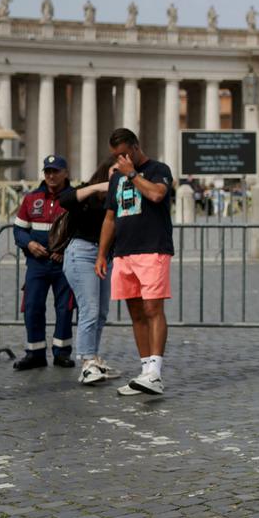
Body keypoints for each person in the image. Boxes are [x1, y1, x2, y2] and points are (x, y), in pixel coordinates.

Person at [95, 129, 175, 396]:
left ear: (136, 147)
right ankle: (145, 371)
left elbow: (157, 195)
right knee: (136, 314)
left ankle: (156, 372)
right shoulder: (116, 177)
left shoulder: (158, 169)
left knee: (153, 309)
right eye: (115, 156)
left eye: (123, 154)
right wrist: (102, 254)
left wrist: (132, 174)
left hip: (152, 249)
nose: (119, 160)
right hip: (124, 252)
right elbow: (110, 217)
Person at [59, 153, 118, 384]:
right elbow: (65, 200)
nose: (119, 176)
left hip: (105, 256)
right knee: (89, 309)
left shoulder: (121, 194)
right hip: (82, 253)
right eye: (115, 171)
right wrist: (98, 187)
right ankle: (86, 362)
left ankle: (93, 357)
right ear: (105, 171)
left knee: (101, 312)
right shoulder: (89, 191)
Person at [12, 155, 75, 370]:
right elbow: (19, 229)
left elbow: (82, 231)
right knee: (32, 307)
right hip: (37, 264)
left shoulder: (74, 198)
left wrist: (65, 250)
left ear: (65, 173)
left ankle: (62, 353)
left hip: (64, 265)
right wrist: (29, 244)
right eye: (47, 171)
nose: (51, 175)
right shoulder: (31, 198)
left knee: (64, 309)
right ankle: (35, 353)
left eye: (55, 171)